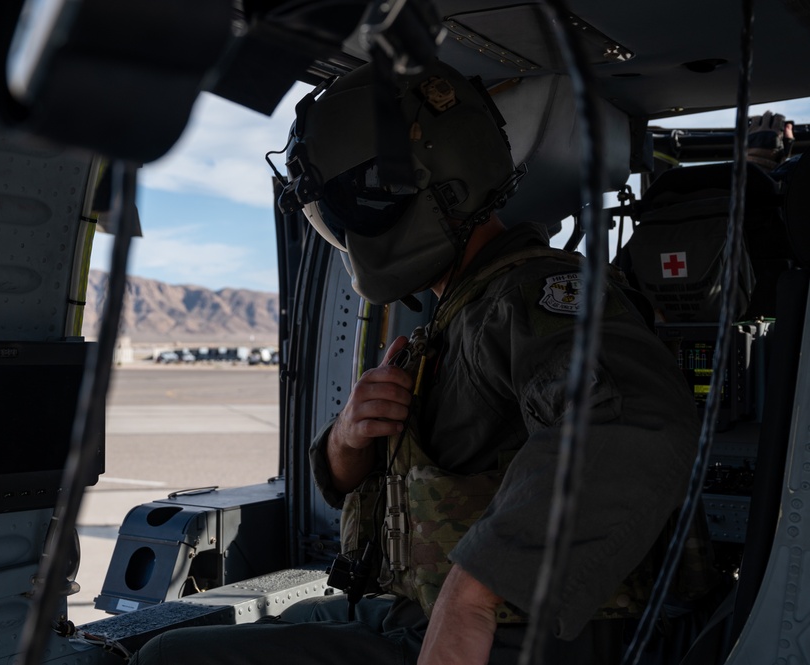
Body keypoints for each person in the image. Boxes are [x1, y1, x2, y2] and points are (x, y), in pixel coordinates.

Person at [130, 59, 699, 665]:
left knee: (170, 660)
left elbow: (631, 424)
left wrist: (470, 600)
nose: (342, 236)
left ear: (396, 197)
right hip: (411, 605)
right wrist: (348, 440)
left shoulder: (535, 295)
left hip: (517, 635)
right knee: (289, 618)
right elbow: (383, 481)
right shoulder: (458, 313)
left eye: (340, 212)